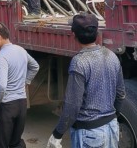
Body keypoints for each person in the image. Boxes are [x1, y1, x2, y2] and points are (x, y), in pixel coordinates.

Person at [46, 13, 126, 148]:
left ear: (74, 36)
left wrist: (57, 134)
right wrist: (112, 116)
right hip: (111, 127)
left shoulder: (79, 62)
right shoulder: (111, 55)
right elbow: (121, 94)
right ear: (97, 33)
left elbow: (72, 106)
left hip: (89, 133)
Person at [0, 22, 40, 148]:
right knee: (15, 143)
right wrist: (25, 82)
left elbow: (1, 86)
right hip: (22, 104)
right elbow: (35, 66)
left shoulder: (1, 57)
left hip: (7, 106)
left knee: (1, 144)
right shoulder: (21, 50)